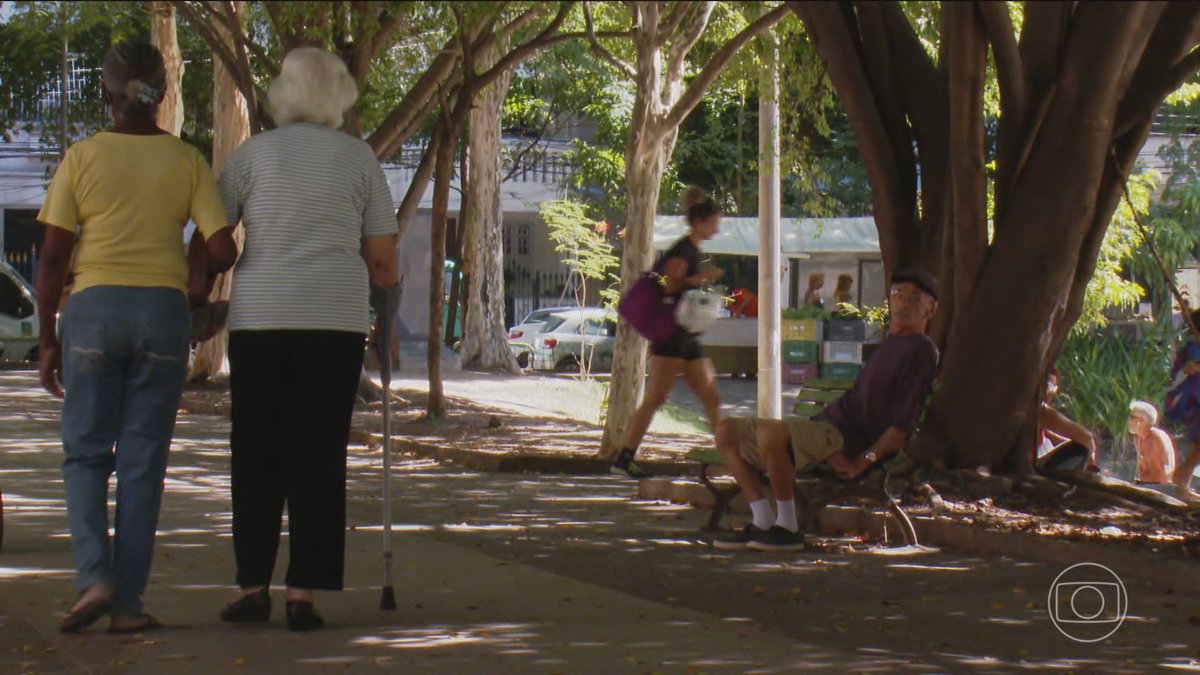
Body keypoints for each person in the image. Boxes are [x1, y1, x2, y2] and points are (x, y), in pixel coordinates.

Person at [35, 41, 236, 633]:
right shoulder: (188, 161)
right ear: (161, 96)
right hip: (163, 316)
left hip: (93, 312)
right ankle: (128, 606)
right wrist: (197, 275)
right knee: (144, 461)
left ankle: (93, 576)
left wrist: (47, 337)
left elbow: (52, 255)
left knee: (86, 452)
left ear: (106, 93)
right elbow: (223, 244)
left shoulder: (82, 158)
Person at [212, 48, 399, 631]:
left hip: (260, 318)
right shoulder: (359, 159)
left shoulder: (253, 154)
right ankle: (302, 592)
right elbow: (383, 261)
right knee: (319, 455)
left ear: (283, 93)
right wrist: (386, 302)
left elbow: (215, 229)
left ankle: (250, 586)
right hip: (334, 323)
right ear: (338, 95)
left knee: (256, 452)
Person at [712, 269, 940, 551]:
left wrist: (864, 461)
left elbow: (903, 423)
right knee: (726, 431)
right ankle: (762, 520)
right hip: (826, 429)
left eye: (914, 298)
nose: (903, 303)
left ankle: (788, 528)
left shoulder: (921, 351)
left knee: (771, 433)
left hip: (846, 437)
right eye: (898, 295)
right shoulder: (890, 344)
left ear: (930, 309)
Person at [612, 187, 724, 478]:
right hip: (672, 338)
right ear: (699, 222)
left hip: (686, 338)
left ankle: (730, 455)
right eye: (713, 222)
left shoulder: (692, 249)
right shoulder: (683, 250)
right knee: (656, 399)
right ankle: (624, 457)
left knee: (711, 398)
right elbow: (670, 285)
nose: (717, 228)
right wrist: (702, 278)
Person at [1035, 368, 1099, 473]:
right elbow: (1086, 438)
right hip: (1030, 470)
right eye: (1048, 387)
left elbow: (1049, 434)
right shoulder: (1037, 409)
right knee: (1080, 449)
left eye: (1053, 388)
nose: (1051, 393)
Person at [1165, 311, 1200, 500]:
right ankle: (1181, 478)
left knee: (1196, 445)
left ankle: (1182, 487)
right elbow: (1190, 367)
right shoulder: (1194, 347)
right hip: (1193, 403)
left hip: (1193, 403)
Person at [1128, 400, 1176, 484]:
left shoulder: (1157, 439)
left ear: (1141, 420)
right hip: (1147, 485)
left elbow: (1164, 472)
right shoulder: (1138, 438)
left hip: (1159, 487)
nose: (1128, 421)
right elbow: (1142, 468)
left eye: (1131, 417)